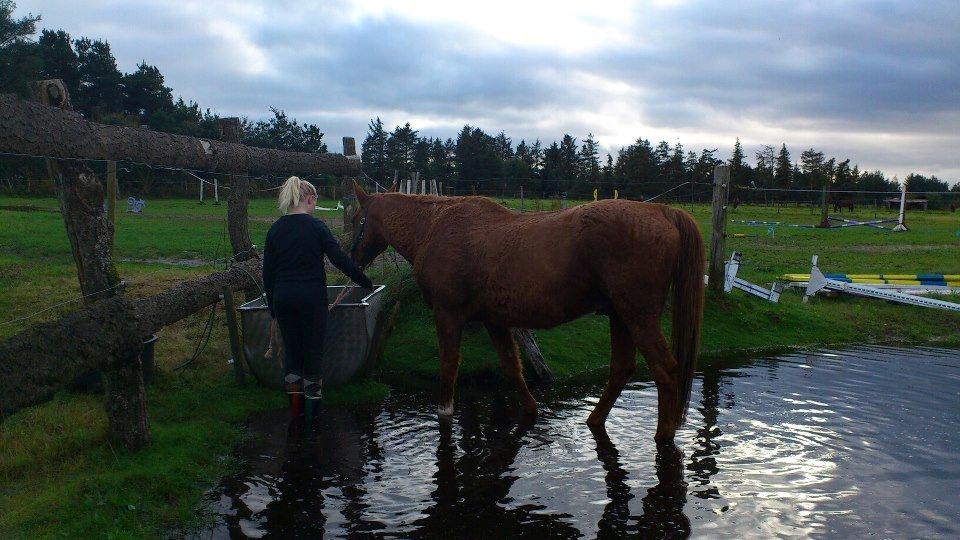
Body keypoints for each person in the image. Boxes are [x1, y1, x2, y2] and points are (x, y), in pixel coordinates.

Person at [263, 176, 373, 413]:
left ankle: (296, 417)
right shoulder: (317, 227)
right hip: (312, 300)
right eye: (314, 201)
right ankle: (313, 423)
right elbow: (340, 260)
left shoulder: (275, 230)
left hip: (284, 299)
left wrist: (274, 309)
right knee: (313, 356)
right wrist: (364, 280)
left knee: (292, 354)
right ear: (309, 199)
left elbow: (268, 274)